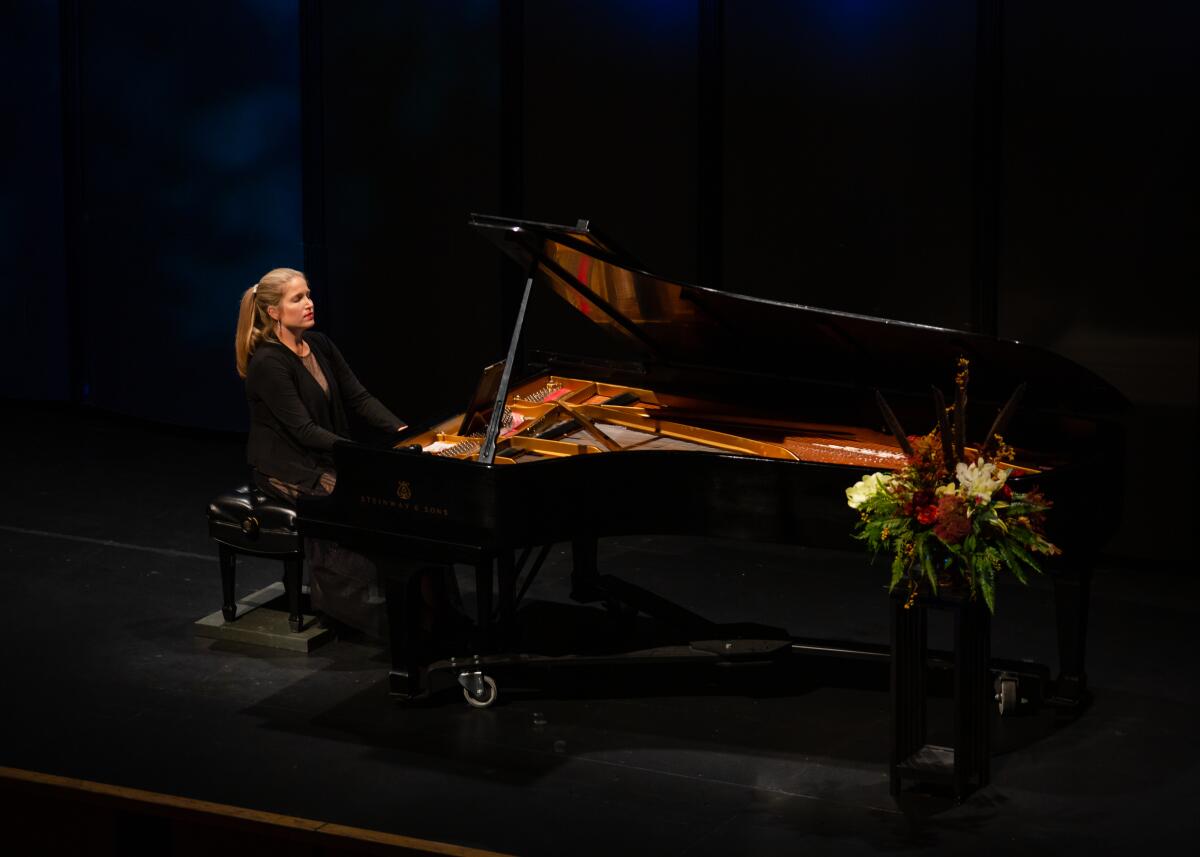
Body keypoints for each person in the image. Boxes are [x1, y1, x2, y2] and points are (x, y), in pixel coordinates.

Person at [235, 267, 407, 638]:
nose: (309, 303)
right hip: (287, 467)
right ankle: (369, 616)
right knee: (352, 505)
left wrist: (403, 431)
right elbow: (303, 430)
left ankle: (412, 607)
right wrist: (359, 455)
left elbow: (359, 398)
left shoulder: (322, 345)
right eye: (297, 298)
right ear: (274, 312)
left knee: (390, 502)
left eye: (308, 294)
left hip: (324, 457)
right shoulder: (268, 362)